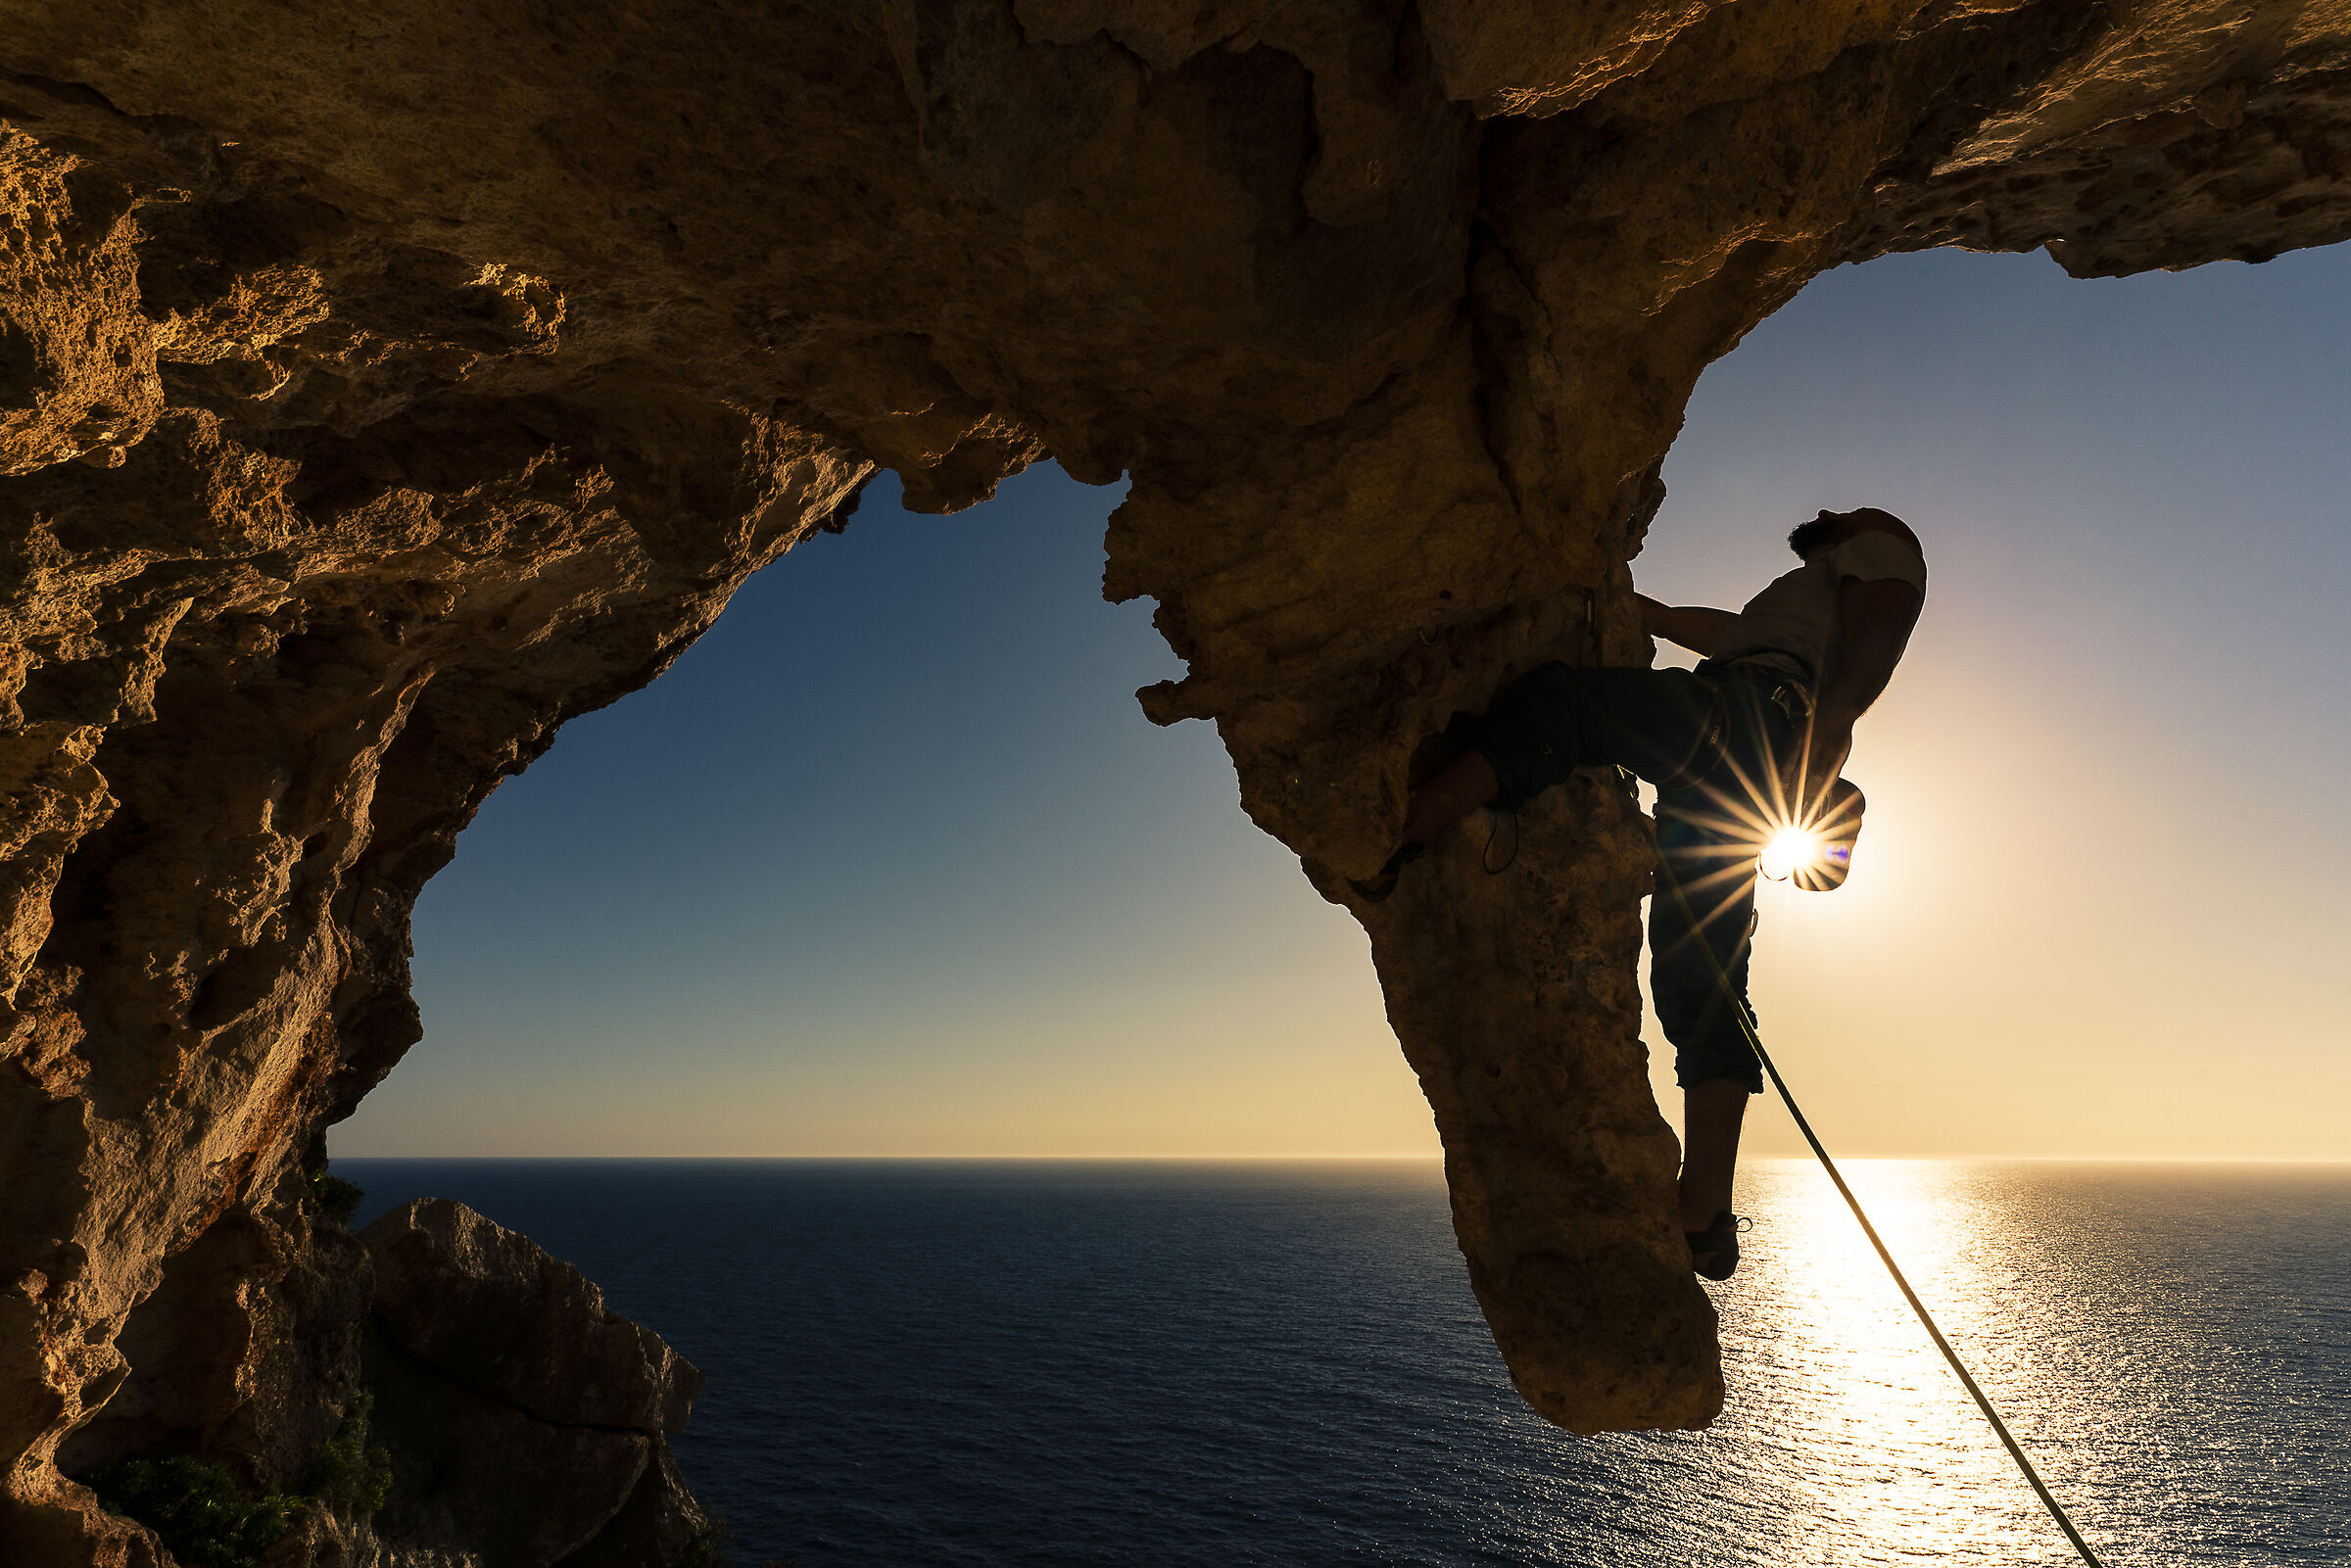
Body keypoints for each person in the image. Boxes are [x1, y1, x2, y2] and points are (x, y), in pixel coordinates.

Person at [1352, 507, 1927, 1280]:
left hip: (1752, 723)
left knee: (1570, 708)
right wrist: (1639, 609)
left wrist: (1811, 771)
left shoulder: (1880, 541)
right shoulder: (1808, 598)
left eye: (1837, 514)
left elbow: (1861, 672)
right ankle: (1705, 1215)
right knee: (1701, 985)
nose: (1822, 513)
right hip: (1748, 741)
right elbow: (1730, 637)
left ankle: (1397, 830)